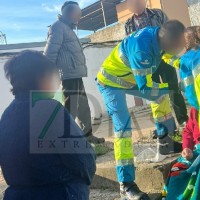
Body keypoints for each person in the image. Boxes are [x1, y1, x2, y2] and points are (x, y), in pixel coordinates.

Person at [96, 20, 185, 200]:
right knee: (123, 128)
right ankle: (126, 184)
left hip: (128, 78)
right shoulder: (141, 49)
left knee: (161, 94)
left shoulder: (158, 35)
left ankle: (164, 141)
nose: (178, 48)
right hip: (111, 83)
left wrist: (188, 62)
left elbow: (168, 56)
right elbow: (144, 89)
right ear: (167, 41)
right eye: (177, 46)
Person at [0, 50, 96, 200]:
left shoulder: (7, 114)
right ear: (40, 78)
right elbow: (81, 159)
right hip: (55, 192)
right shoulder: (50, 109)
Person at [44, 1, 105, 144]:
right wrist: (47, 74)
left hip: (75, 74)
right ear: (71, 13)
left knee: (83, 105)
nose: (80, 15)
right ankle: (65, 139)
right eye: (79, 12)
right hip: (68, 75)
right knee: (70, 107)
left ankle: (87, 134)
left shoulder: (68, 28)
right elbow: (50, 52)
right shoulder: (58, 27)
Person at [125, 0, 188, 138]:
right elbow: (130, 44)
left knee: (173, 90)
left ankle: (183, 121)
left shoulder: (158, 14)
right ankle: (167, 128)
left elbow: (171, 32)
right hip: (147, 63)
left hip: (164, 58)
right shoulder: (128, 24)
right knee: (155, 94)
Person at [162, 27, 200, 199]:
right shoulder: (195, 112)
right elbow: (188, 132)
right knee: (177, 169)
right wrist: (187, 148)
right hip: (197, 151)